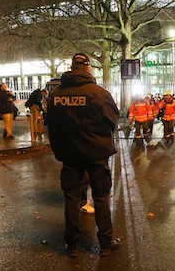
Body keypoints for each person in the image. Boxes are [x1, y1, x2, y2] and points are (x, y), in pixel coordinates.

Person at [47, 53, 120, 258]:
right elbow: (113, 121)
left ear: (71, 68)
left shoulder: (57, 94)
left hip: (69, 155)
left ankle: (72, 245)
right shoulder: (99, 93)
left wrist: (59, 149)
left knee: (71, 198)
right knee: (101, 196)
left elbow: (51, 124)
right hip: (97, 153)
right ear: (88, 69)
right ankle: (105, 244)